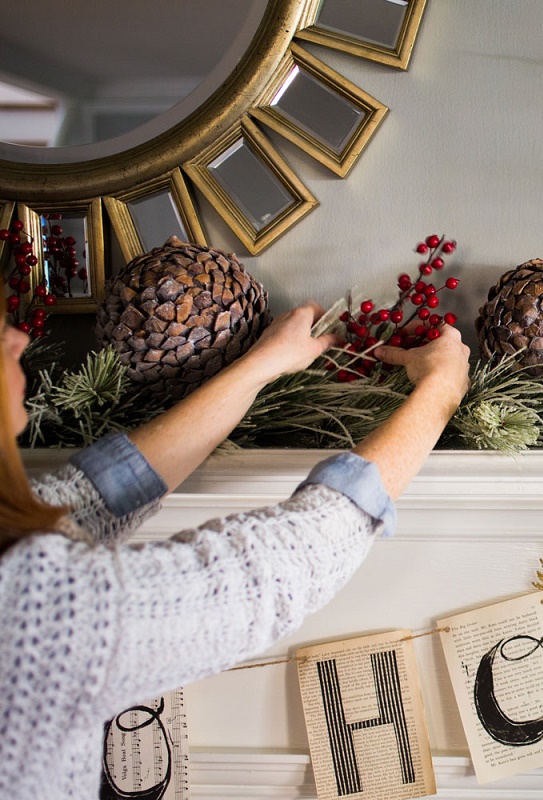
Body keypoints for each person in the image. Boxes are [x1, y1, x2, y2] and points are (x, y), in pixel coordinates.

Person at [0, 301, 471, 798]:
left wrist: (263, 364)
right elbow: (275, 566)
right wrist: (439, 392)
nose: (19, 340)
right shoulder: (29, 609)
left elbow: (90, 497)